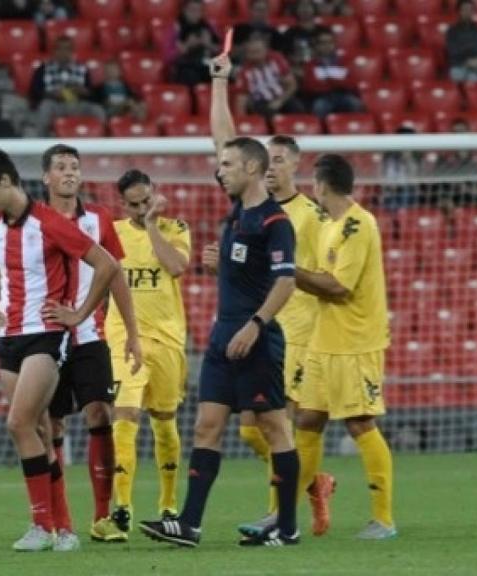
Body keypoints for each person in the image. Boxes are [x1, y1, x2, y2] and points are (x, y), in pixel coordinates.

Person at [138, 52, 301, 548]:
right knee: (206, 426)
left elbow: (286, 282)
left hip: (256, 338)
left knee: (274, 428)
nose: (219, 169)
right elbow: (223, 137)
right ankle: (188, 523)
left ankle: (288, 525)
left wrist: (255, 325)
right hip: (222, 333)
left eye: (228, 165)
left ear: (252, 169)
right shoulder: (238, 212)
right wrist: (220, 83)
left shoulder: (275, 222)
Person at [0, 147, 121, 552]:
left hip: (46, 336)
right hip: (8, 340)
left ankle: (44, 526)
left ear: (6, 181)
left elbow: (107, 265)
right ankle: (62, 528)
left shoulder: (50, 223)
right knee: (37, 430)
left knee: (19, 423)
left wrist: (78, 314)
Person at [233, 135, 336, 539]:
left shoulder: (313, 215)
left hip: (301, 333)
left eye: (279, 160)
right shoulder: (255, 213)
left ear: (296, 165)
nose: (272, 167)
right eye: (267, 160)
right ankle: (314, 485)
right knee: (249, 429)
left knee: (280, 426)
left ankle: (277, 516)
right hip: (264, 327)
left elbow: (325, 276)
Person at [40, 144, 143, 545]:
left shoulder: (99, 218)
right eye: (61, 167)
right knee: (51, 425)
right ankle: (56, 518)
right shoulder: (35, 220)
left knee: (101, 412)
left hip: (89, 334)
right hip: (46, 334)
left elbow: (115, 275)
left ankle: (103, 516)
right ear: (46, 177)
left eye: (74, 167)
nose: (69, 173)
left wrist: (132, 334)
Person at [293, 153, 397, 540]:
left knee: (359, 423)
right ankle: (286, 515)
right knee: (307, 420)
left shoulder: (358, 224)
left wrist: (289, 271)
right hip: (324, 341)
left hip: (355, 342)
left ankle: (383, 520)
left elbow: (339, 287)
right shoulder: (327, 226)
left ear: (321, 184)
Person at [105, 168, 191, 541]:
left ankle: (169, 505)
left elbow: (175, 266)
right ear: (122, 205)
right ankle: (122, 507)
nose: (142, 209)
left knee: (164, 419)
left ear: (155, 195)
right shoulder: (113, 235)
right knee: (125, 414)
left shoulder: (176, 228)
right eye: (134, 205)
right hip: (125, 338)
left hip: (169, 340)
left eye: (146, 201)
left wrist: (154, 225)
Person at [28, 36, 106, 136]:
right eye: (59, 48)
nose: (63, 52)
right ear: (54, 51)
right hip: (55, 105)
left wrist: (84, 91)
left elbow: (92, 94)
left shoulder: (82, 69)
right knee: (45, 107)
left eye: (67, 49)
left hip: (77, 104)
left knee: (98, 110)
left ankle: (103, 142)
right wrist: (51, 94)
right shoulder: (43, 69)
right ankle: (41, 142)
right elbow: (34, 92)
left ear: (72, 51)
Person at [235, 36, 304, 121]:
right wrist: (242, 121)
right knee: (266, 112)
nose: (253, 56)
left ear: (265, 51)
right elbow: (241, 99)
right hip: (260, 102)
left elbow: (292, 85)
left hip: (281, 97)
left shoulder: (276, 59)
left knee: (297, 107)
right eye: (250, 52)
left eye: (257, 51)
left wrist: (279, 101)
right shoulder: (244, 71)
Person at [302, 29, 363, 119]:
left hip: (343, 95)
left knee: (356, 104)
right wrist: (337, 81)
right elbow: (310, 86)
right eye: (323, 43)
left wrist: (328, 81)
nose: (327, 46)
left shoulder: (344, 62)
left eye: (330, 42)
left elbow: (352, 84)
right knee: (319, 107)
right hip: (323, 97)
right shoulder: (311, 64)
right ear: (317, 45)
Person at [163, 0, 221, 87]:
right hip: (185, 68)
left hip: (206, 64)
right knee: (190, 75)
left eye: (199, 11)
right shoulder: (175, 28)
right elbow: (167, 58)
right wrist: (187, 46)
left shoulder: (208, 27)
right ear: (184, 10)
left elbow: (222, 51)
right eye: (192, 10)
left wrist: (209, 45)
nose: (195, 14)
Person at [446, 0, 477, 82]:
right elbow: (453, 52)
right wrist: (469, 59)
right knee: (472, 78)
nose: (468, 12)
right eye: (465, 9)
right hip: (459, 65)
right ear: (459, 11)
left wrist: (475, 58)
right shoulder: (452, 31)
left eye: (470, 10)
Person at [282, 0, 331, 66]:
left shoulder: (324, 31)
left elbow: (331, 52)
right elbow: (285, 56)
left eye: (308, 5)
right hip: (299, 69)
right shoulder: (290, 33)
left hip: (322, 67)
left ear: (314, 9)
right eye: (302, 6)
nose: (305, 9)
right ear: (296, 10)